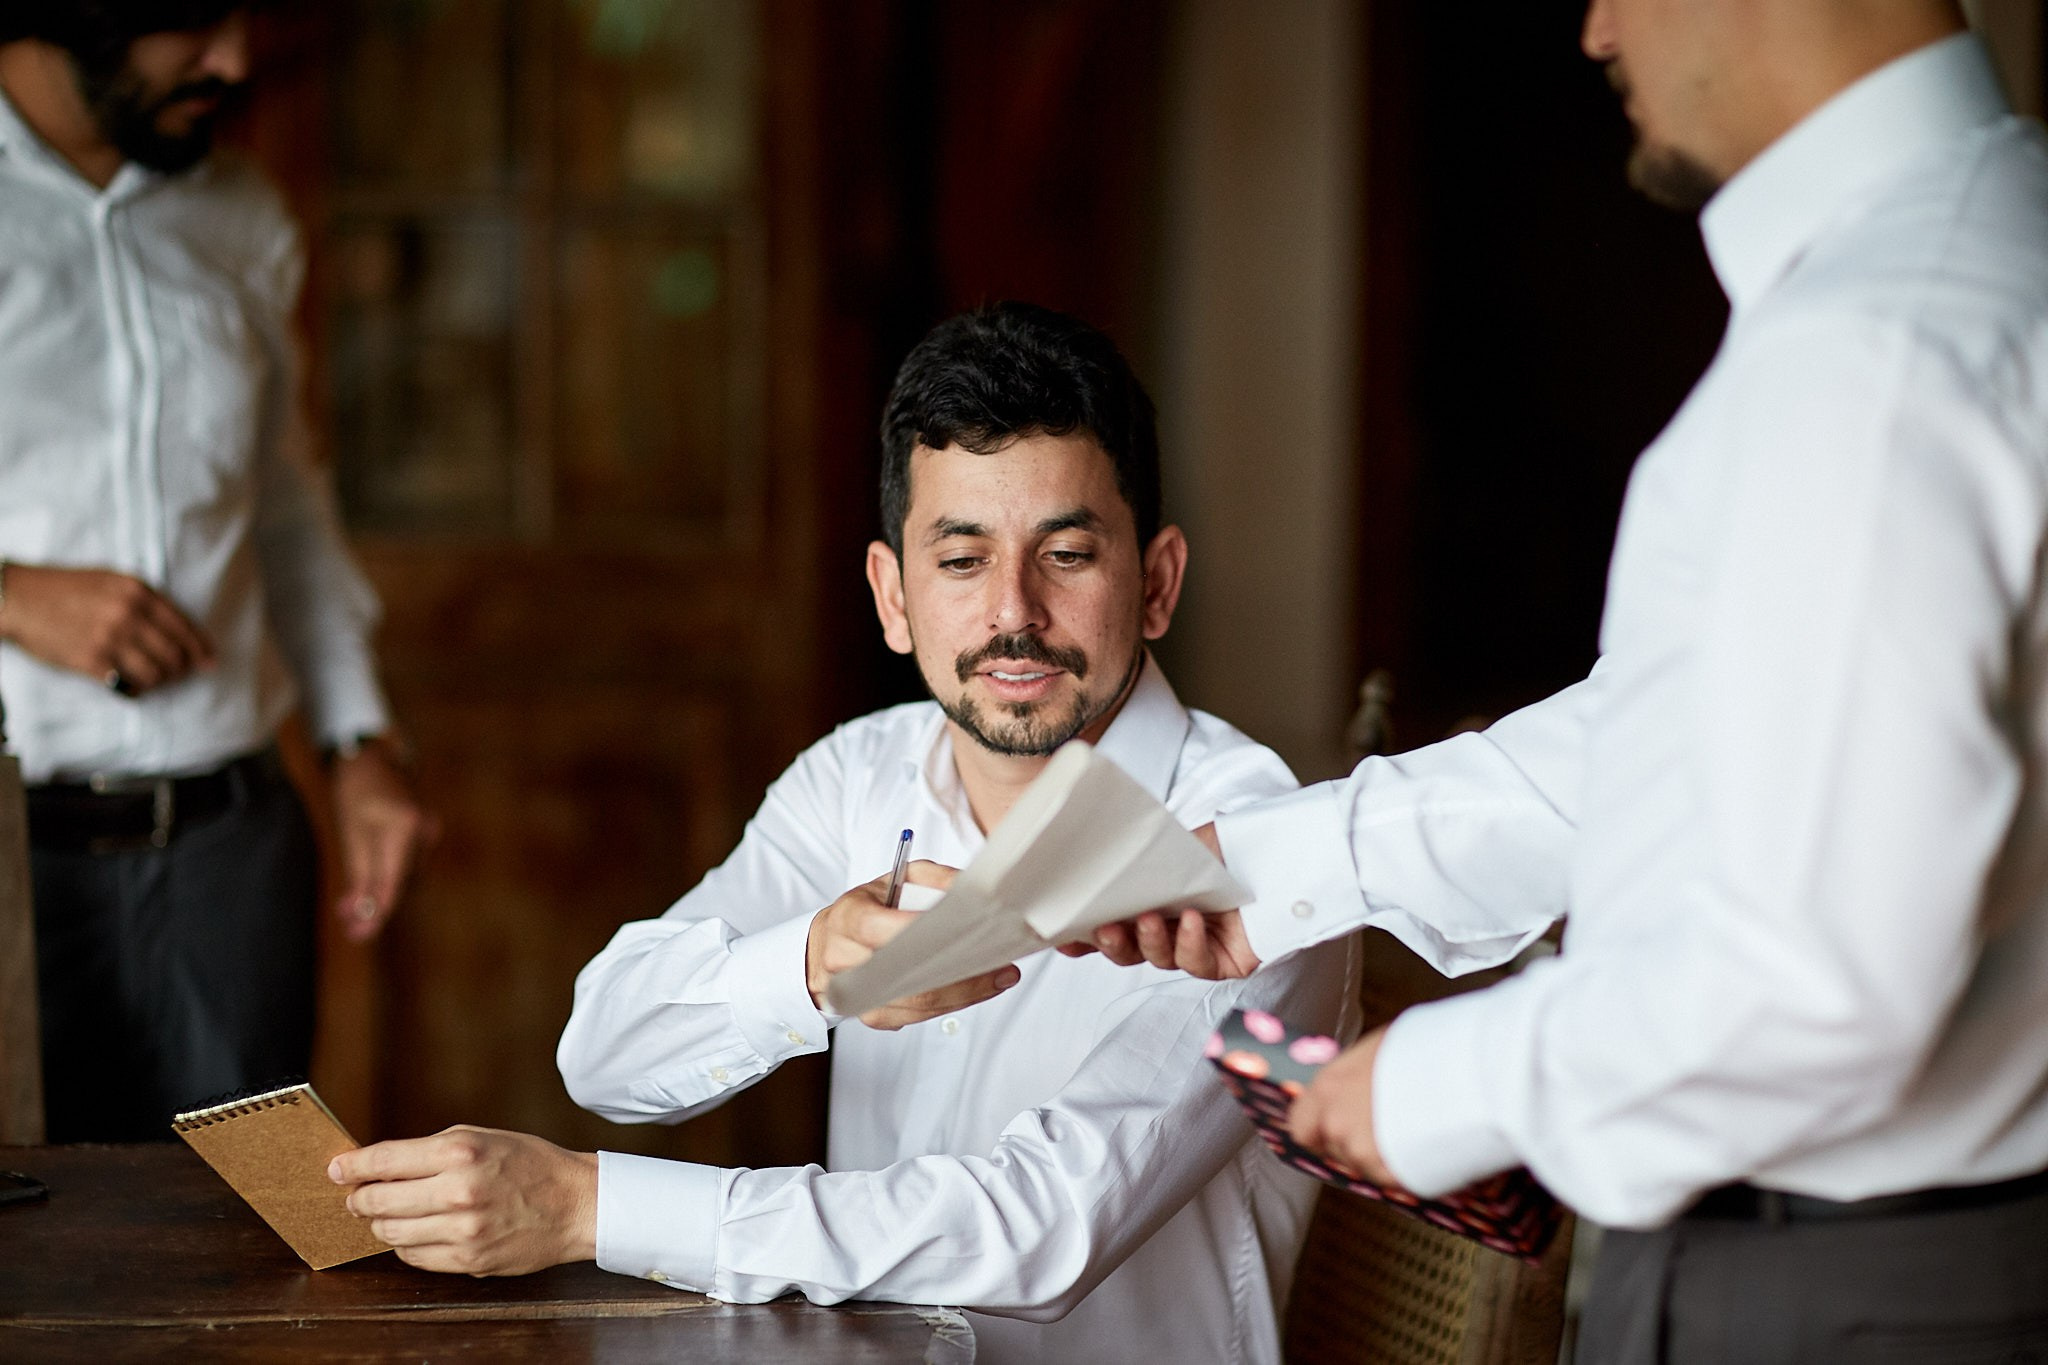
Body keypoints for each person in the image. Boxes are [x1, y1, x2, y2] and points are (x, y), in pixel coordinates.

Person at [1089, 1, 2048, 1358]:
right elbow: (1679, 743)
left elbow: (1818, 975)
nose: (1595, 31)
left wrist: (1438, 1084)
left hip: (1839, 1291)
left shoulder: (1871, 358)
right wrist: (1266, 861)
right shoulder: (1994, 245)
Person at [330, 303, 1359, 1365]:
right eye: (959, 560)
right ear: (892, 597)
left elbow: (1041, 1231)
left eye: (1064, 554)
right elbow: (604, 1053)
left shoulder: (1247, 846)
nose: (1013, 610)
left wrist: (591, 1208)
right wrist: (807, 971)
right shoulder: (853, 778)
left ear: (1154, 583)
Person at [0, 1, 430, 1142]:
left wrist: (357, 744)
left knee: (254, 1243)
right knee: (35, 1275)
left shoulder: (239, 213)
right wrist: (10, 596)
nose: (234, 61)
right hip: (8, 867)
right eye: (189, 20)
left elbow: (284, 499)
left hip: (231, 857)